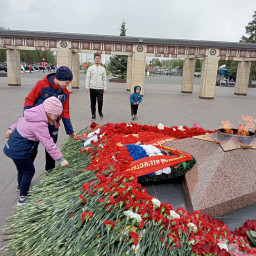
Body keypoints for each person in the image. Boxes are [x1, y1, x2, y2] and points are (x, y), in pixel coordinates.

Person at [4, 97, 69, 205]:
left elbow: (20, 121)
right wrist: (60, 159)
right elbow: (48, 143)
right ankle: (22, 199)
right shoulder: (40, 124)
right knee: (29, 171)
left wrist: (11, 129)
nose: (57, 118)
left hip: (12, 147)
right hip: (20, 150)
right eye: (56, 115)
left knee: (22, 170)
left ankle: (21, 188)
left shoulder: (33, 114)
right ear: (48, 112)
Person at [24, 66, 76, 172]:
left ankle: (50, 171)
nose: (68, 85)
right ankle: (26, 173)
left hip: (53, 125)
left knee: (51, 149)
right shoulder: (42, 84)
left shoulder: (65, 92)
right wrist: (27, 117)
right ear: (59, 78)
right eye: (67, 82)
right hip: (36, 125)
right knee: (32, 150)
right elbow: (29, 99)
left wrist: (70, 131)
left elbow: (65, 112)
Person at [86, 53, 108, 120]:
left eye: (98, 58)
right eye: (96, 58)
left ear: (100, 59)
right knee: (92, 103)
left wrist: (105, 88)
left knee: (100, 101)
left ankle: (100, 111)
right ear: (94, 59)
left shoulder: (102, 69)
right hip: (92, 88)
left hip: (100, 88)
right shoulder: (90, 68)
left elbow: (104, 79)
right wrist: (87, 86)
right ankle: (93, 114)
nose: (97, 60)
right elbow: (88, 78)